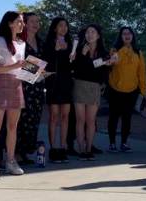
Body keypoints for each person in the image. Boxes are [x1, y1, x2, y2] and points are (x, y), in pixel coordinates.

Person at [0, 11, 27, 177]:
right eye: (19, 21)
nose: (21, 24)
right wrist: (14, 66)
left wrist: (36, 72)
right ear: (9, 23)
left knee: (12, 127)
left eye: (22, 22)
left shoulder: (21, 43)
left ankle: (11, 161)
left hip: (17, 85)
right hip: (1, 83)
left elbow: (21, 67)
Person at [72, 24, 113, 159]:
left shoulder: (104, 53)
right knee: (80, 119)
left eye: (93, 32)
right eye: (88, 32)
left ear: (98, 35)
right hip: (79, 85)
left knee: (90, 120)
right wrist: (82, 55)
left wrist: (110, 64)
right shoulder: (78, 49)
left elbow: (105, 71)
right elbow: (76, 68)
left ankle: (89, 148)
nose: (90, 34)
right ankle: (81, 149)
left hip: (94, 87)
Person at [107, 26, 146, 152]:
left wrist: (143, 91)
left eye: (129, 33)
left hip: (131, 91)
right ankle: (112, 143)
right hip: (115, 89)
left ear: (133, 36)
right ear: (120, 36)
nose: (127, 35)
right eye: (124, 33)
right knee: (113, 117)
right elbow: (113, 63)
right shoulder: (114, 50)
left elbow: (142, 73)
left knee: (127, 118)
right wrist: (124, 50)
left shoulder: (138, 52)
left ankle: (124, 143)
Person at [16, 12, 47, 162]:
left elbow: (45, 62)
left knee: (34, 119)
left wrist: (43, 72)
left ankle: (25, 152)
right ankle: (15, 153)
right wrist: (37, 70)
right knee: (20, 120)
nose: (36, 24)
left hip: (37, 87)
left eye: (38, 21)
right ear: (25, 23)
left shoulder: (41, 42)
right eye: (32, 21)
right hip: (21, 86)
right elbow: (16, 62)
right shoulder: (19, 42)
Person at [42, 17, 74, 162]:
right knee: (54, 116)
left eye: (65, 26)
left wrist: (73, 57)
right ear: (54, 28)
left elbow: (73, 65)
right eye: (60, 25)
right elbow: (45, 62)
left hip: (66, 82)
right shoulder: (48, 43)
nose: (63, 28)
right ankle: (53, 148)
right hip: (53, 82)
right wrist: (55, 50)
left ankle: (63, 147)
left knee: (65, 116)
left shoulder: (71, 44)